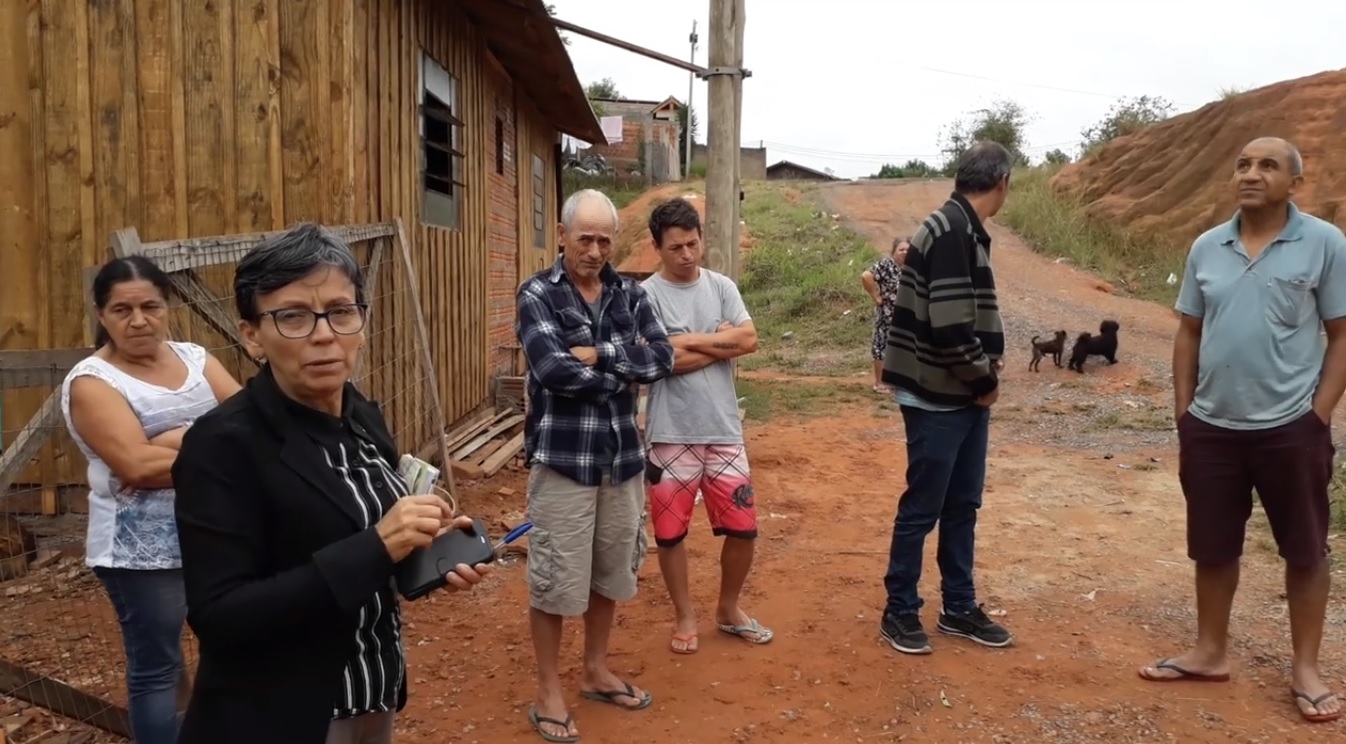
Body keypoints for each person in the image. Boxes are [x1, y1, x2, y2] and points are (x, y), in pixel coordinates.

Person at [170, 223, 492, 744]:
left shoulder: (362, 414)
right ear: (252, 335)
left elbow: (365, 552)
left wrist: (421, 551)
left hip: (372, 689)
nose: (324, 334)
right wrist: (379, 544)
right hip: (281, 715)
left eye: (341, 312)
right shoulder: (223, 446)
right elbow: (221, 616)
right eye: (293, 316)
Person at [1139, 137, 1346, 725]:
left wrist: (1319, 414)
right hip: (1211, 427)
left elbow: (1342, 334)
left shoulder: (1326, 244)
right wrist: (1185, 411)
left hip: (1291, 427)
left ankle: (1305, 667)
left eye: (1267, 166)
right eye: (1243, 165)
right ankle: (1209, 652)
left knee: (1304, 550)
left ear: (1294, 183)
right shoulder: (1208, 246)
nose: (1251, 174)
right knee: (1212, 545)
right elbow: (1188, 332)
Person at [60, 255, 241, 744]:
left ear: (168, 307)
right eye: (122, 310)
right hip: (142, 552)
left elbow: (254, 431)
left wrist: (169, 442)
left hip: (216, 535)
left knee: (232, 646)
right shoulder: (93, 382)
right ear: (101, 314)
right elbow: (135, 468)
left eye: (150, 306)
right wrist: (211, 441)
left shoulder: (197, 359)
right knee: (159, 668)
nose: (138, 320)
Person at [515, 189, 674, 742]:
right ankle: (548, 690)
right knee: (556, 579)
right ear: (562, 236)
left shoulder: (630, 293)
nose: (595, 249)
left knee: (610, 570)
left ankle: (595, 669)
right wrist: (621, 375)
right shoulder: (537, 293)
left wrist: (603, 354)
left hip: (623, 461)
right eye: (585, 237)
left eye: (605, 239)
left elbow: (662, 358)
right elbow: (554, 370)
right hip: (563, 462)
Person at [878, 142, 1013, 655]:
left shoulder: (955, 225)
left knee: (962, 505)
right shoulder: (955, 231)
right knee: (924, 507)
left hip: (954, 396)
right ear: (1002, 183)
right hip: (943, 396)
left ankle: (958, 606)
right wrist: (985, 381)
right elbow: (953, 325)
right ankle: (900, 611)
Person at [639, 197, 769, 656]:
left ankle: (728, 608)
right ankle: (684, 615)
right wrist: (719, 340)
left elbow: (749, 340)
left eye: (693, 244)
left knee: (743, 528)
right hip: (669, 432)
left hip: (723, 428)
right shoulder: (646, 296)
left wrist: (686, 341)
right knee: (671, 533)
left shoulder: (721, 287)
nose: (687, 255)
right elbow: (656, 360)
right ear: (658, 247)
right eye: (675, 247)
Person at [861, 237, 910, 393]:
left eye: (908, 250)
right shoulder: (886, 265)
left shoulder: (913, 267)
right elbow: (866, 276)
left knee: (904, 348)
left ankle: (900, 381)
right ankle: (880, 383)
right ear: (894, 251)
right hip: (887, 314)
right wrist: (876, 296)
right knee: (881, 347)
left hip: (907, 317)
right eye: (901, 249)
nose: (904, 253)